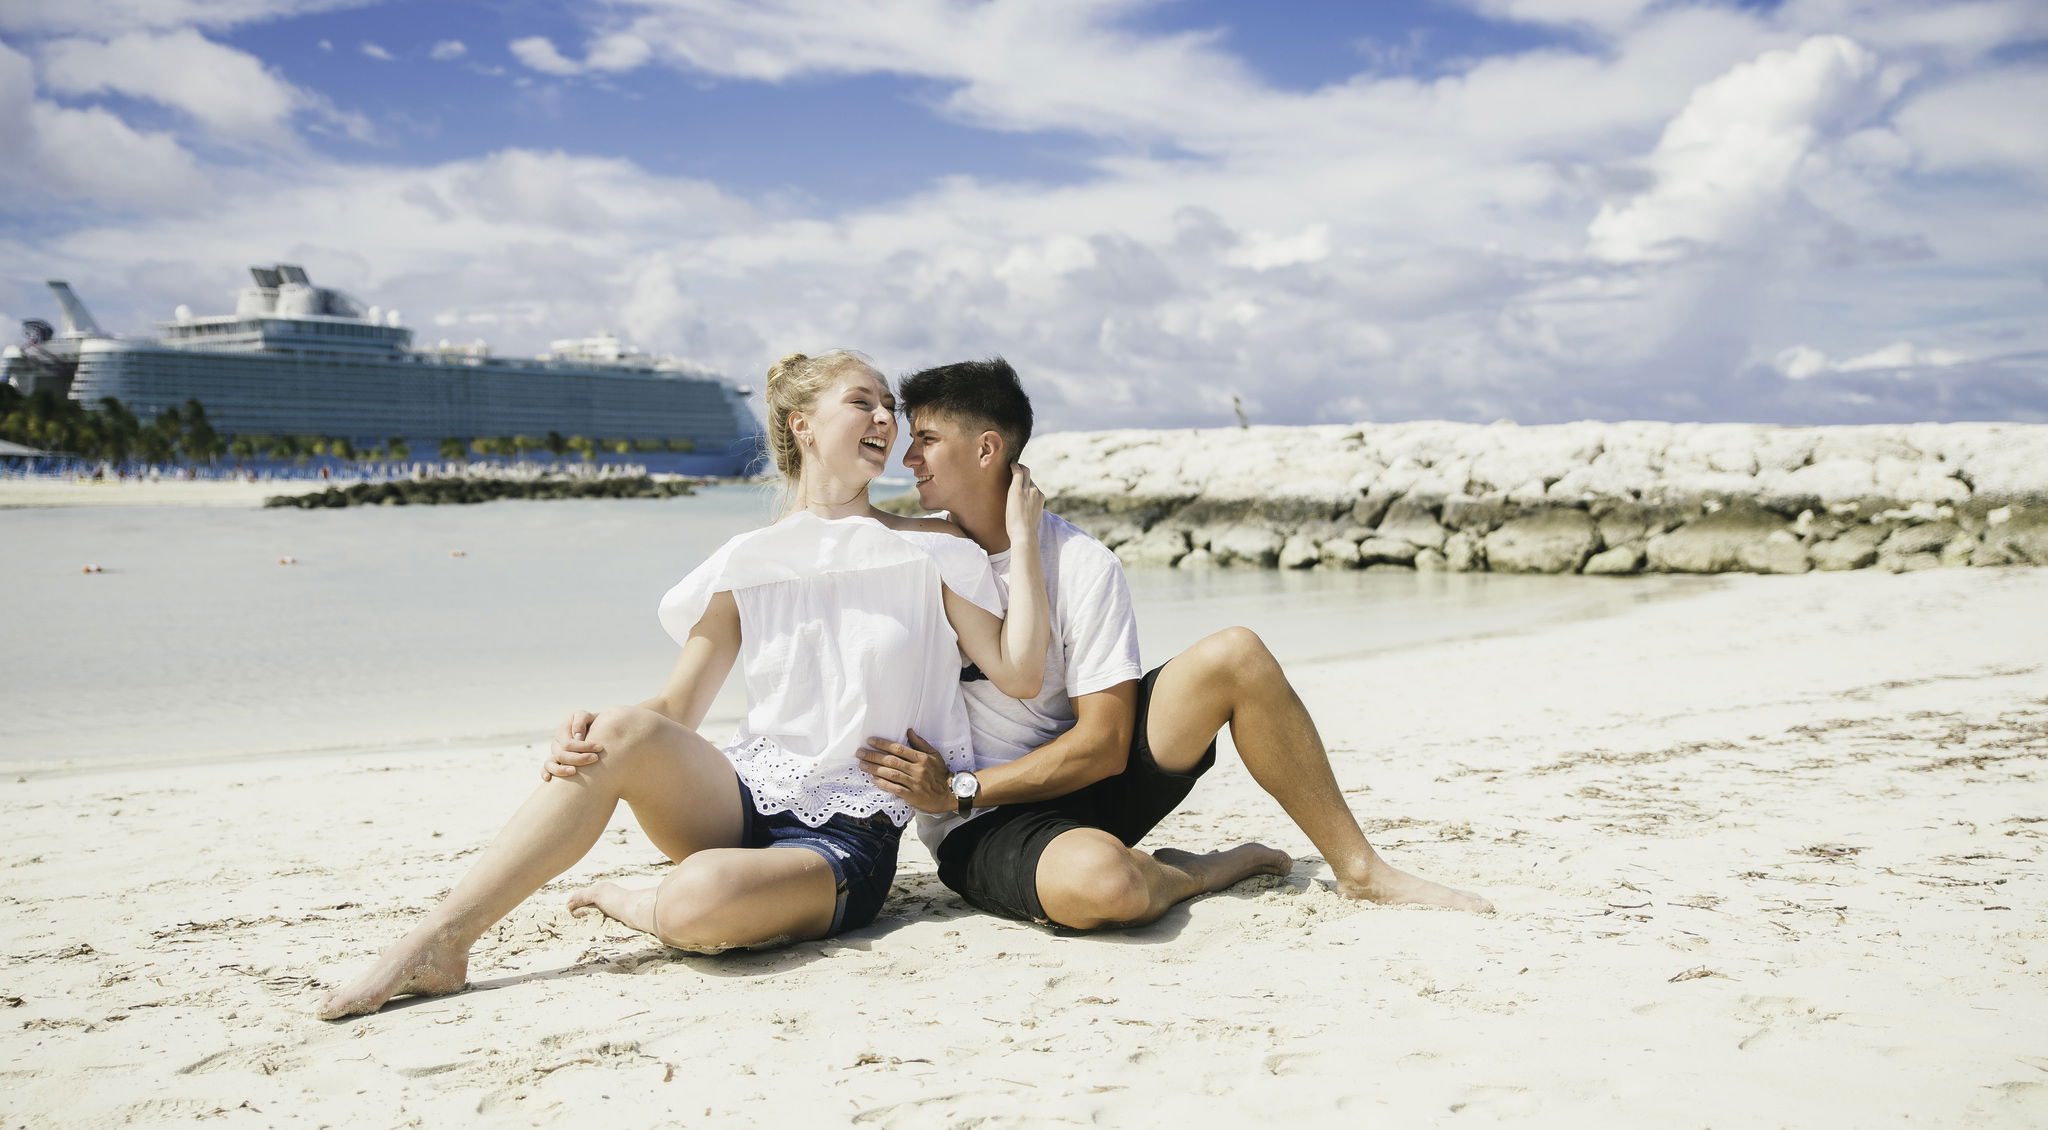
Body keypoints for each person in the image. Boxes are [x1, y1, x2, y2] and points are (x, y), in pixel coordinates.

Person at [319, 351, 1051, 1018]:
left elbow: (1019, 673)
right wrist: (590, 732)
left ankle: (636, 902)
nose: (887, 419)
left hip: (848, 839)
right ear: (802, 425)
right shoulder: (748, 559)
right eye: (864, 402)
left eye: (889, 407)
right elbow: (676, 707)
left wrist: (1022, 543)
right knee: (616, 728)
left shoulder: (932, 548)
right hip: (738, 802)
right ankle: (440, 942)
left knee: (695, 902)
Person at [850, 358, 1491, 929]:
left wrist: (960, 786)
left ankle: (1360, 869)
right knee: (1106, 886)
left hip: (1038, 787)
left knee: (1237, 653)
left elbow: (1104, 745)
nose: (909, 460)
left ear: (987, 449)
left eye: (926, 440)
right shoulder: (916, 557)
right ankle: (1199, 871)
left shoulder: (1081, 563)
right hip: (983, 823)